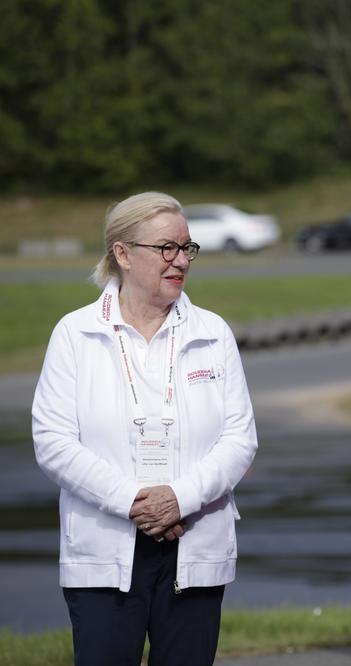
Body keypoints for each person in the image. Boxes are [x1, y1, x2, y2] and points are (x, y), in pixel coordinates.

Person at [32, 192, 258, 666]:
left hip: (193, 545)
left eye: (187, 249)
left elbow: (240, 439)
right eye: (166, 249)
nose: (180, 261)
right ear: (122, 254)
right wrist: (134, 501)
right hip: (103, 550)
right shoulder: (75, 334)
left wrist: (180, 497)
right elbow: (53, 442)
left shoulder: (213, 333)